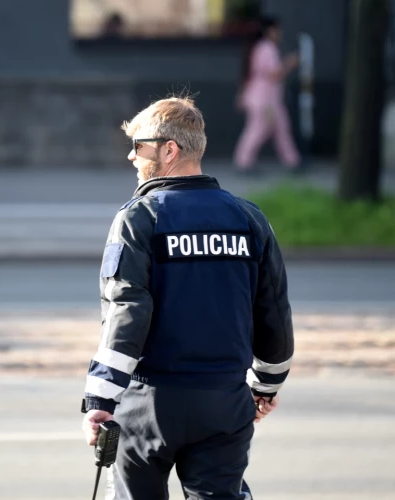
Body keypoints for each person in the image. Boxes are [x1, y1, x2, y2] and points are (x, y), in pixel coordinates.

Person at [80, 97, 294, 499]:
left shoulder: (140, 218)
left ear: (169, 149)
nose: (131, 156)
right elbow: (274, 311)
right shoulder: (249, 219)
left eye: (138, 147)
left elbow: (127, 311)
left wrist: (101, 398)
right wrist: (264, 386)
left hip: (150, 403)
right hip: (225, 402)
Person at [233, 15, 301, 173]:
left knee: (281, 129)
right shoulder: (267, 48)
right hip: (264, 100)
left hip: (267, 99)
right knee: (258, 130)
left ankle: (293, 161)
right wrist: (290, 63)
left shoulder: (260, 47)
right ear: (270, 30)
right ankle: (243, 162)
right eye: (278, 29)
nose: (280, 33)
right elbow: (274, 74)